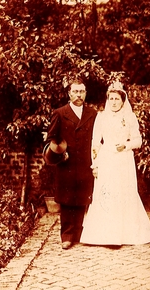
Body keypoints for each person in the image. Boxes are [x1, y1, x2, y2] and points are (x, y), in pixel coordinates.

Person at [80, 81, 150, 246]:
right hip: (106, 159)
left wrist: (126, 145)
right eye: (111, 98)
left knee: (123, 192)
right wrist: (95, 164)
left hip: (123, 160)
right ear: (107, 100)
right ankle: (105, 235)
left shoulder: (129, 117)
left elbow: (138, 141)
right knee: (106, 194)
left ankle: (123, 234)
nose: (113, 102)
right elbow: (95, 142)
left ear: (122, 100)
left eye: (117, 99)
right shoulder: (101, 116)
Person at [44, 77, 97, 249]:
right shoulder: (59, 113)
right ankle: (66, 235)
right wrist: (61, 154)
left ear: (85, 93)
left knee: (82, 198)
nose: (79, 95)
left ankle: (79, 232)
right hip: (66, 164)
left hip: (84, 164)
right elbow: (51, 138)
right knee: (67, 200)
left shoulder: (92, 114)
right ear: (69, 93)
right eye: (75, 91)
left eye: (82, 91)